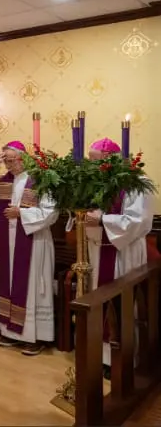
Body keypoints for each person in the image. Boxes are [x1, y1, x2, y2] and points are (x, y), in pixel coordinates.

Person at [0, 141, 58, 356]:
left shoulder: (40, 179)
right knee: (10, 284)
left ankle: (35, 337)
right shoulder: (3, 180)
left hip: (34, 242)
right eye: (5, 161)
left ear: (24, 158)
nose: (9, 165)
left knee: (31, 286)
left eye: (11, 160)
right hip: (9, 242)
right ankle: (10, 331)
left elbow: (51, 213)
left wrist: (21, 214)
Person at [85, 137, 152, 374]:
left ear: (109, 160)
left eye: (95, 161)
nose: (91, 167)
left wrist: (103, 219)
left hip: (125, 251)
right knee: (102, 300)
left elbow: (138, 221)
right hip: (100, 249)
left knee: (124, 304)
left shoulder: (136, 183)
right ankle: (103, 356)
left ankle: (125, 357)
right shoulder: (96, 183)